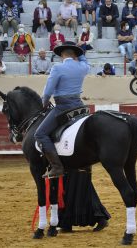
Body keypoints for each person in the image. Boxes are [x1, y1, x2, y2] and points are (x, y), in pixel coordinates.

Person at [34, 41, 90, 179]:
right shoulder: (83, 67)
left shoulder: (57, 68)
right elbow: (84, 60)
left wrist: (45, 103)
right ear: (75, 55)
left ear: (63, 55)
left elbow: (48, 90)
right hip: (79, 106)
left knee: (40, 134)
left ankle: (57, 167)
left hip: (63, 107)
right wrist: (80, 53)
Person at [58, 167, 110, 233]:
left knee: (77, 187)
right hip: (75, 166)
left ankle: (100, 219)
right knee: (74, 187)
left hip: (77, 165)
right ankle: (66, 224)